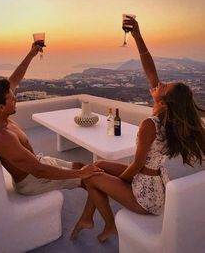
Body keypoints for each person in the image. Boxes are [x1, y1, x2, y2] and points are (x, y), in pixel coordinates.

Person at [71, 17, 205, 242]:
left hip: (146, 196)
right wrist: (137, 36)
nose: (158, 84)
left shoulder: (149, 125)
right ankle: (87, 217)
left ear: (164, 102)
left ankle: (109, 224)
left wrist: (122, 181)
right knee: (98, 165)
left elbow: (136, 165)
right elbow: (150, 69)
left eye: (163, 86)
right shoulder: (168, 119)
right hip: (155, 183)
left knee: (91, 177)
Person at [0, 42, 103, 196]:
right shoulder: (3, 137)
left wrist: (31, 54)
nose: (16, 99)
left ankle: (87, 216)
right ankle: (89, 219)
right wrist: (80, 174)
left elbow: (15, 80)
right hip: (32, 181)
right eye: (12, 99)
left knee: (80, 165)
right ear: (1, 107)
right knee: (90, 179)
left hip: (37, 162)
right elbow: (39, 171)